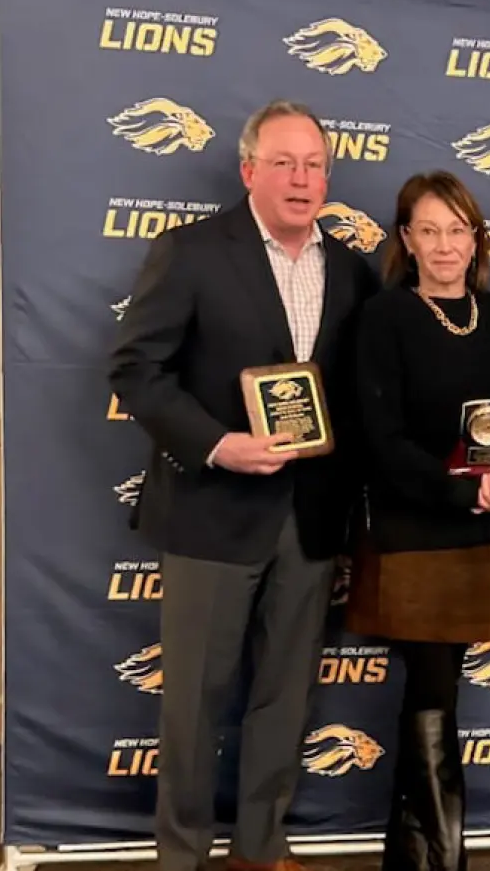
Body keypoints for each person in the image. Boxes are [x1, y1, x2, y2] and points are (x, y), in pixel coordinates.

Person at [108, 100, 378, 871]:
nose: (301, 178)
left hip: (311, 517)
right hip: (211, 512)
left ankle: (262, 845)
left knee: (285, 695)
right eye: (285, 162)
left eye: (315, 164)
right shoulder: (190, 251)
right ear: (248, 169)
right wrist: (219, 444)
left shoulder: (353, 269)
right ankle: (182, 856)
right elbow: (136, 370)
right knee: (191, 701)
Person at [344, 170, 490, 871]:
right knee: (432, 687)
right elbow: (382, 439)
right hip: (415, 533)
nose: (445, 243)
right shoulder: (385, 317)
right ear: (406, 239)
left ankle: (413, 854)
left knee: (440, 686)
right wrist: (464, 492)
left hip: (485, 534)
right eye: (429, 229)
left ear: (476, 237)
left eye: (457, 228)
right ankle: (445, 856)